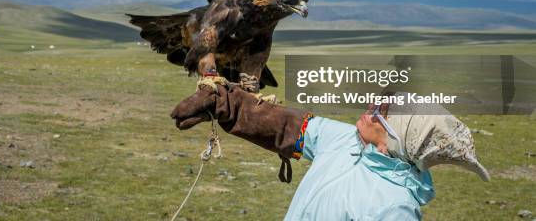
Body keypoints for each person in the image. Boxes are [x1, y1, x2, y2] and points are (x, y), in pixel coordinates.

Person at [171, 81, 490, 220]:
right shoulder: (347, 140)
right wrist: (226, 103)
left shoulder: (395, 208)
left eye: (382, 110)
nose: (371, 107)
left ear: (396, 139)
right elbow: (285, 126)